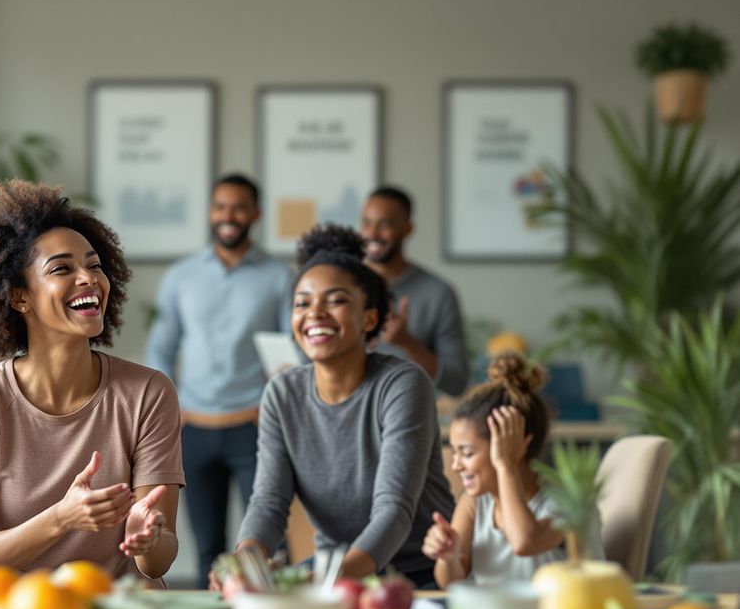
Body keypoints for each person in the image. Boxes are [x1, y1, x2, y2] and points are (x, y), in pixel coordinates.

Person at [0, 180, 184, 581]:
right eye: (62, 269)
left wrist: (150, 540)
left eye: (94, 265)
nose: (89, 278)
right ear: (20, 297)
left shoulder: (148, 393)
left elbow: (156, 563)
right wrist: (62, 518)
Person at [232, 224, 454, 587]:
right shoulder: (282, 394)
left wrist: (322, 581)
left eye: (335, 300)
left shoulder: (403, 385)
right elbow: (269, 504)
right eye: (302, 303)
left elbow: (394, 508)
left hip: (420, 573)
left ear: (369, 318)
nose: (314, 312)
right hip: (334, 572)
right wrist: (244, 568)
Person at [146, 173, 293, 586]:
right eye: (220, 207)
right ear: (211, 213)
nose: (228, 216)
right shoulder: (180, 277)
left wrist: (274, 407)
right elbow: (161, 348)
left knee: (265, 546)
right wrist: (169, 411)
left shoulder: (280, 278)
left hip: (255, 427)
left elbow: (291, 355)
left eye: (239, 207)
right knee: (207, 548)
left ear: (256, 214)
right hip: (193, 429)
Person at [421, 353, 604, 587]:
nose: (456, 466)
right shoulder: (474, 504)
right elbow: (451, 583)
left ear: (518, 444)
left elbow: (524, 542)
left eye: (467, 453)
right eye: (455, 453)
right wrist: (447, 558)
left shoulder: (567, 501)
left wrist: (507, 465)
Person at [360, 186, 469, 396]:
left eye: (385, 224)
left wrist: (407, 342)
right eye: (366, 223)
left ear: (407, 229)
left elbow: (457, 382)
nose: (372, 233)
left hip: (413, 415)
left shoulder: (439, 294)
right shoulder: (343, 289)